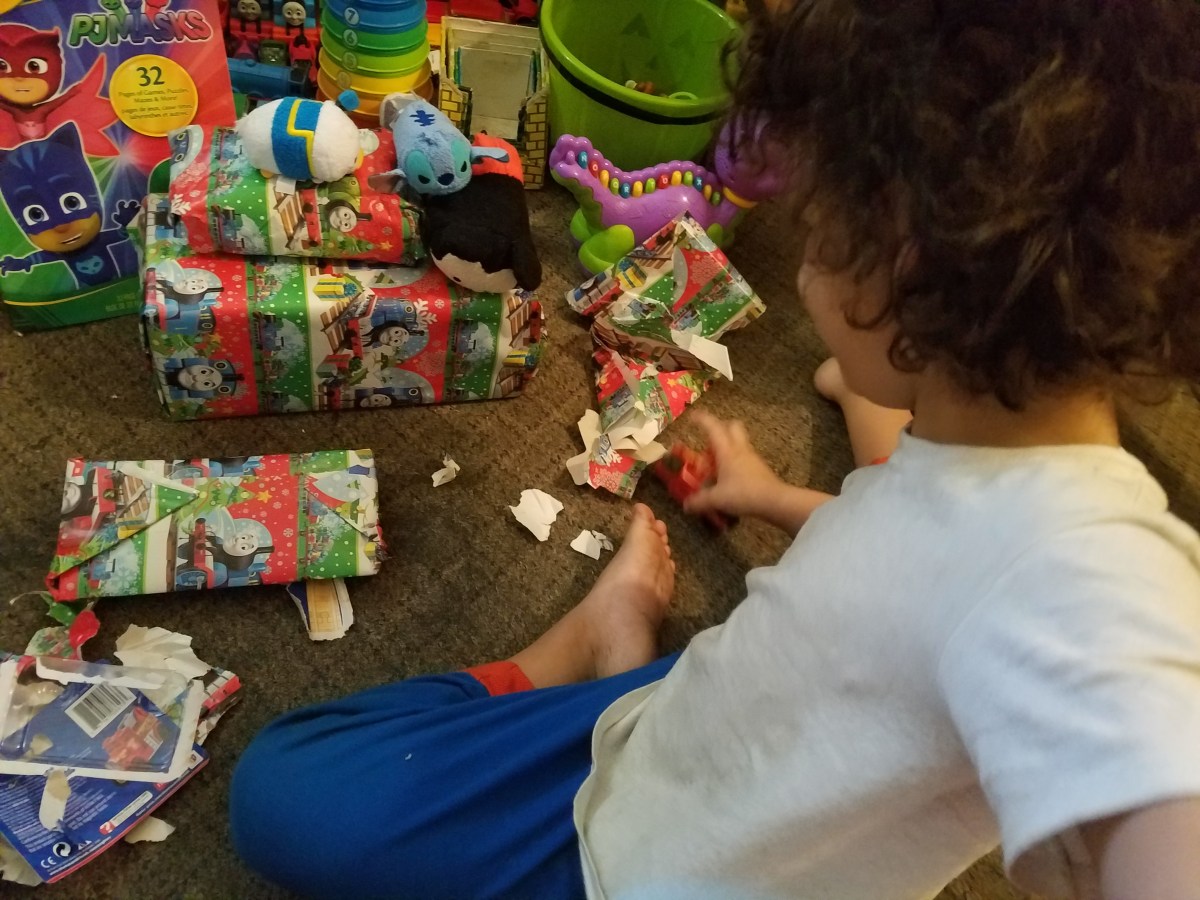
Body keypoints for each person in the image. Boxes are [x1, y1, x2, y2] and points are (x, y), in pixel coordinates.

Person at [227, 1, 1200, 897]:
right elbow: (919, 554)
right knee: (278, 786)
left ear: (899, 262)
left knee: (282, 792)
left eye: (812, 225)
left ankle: (578, 651)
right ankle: (600, 654)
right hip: (680, 724)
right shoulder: (996, 457)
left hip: (636, 860)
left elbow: (1142, 745)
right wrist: (774, 494)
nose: (802, 255)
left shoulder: (1080, 574)